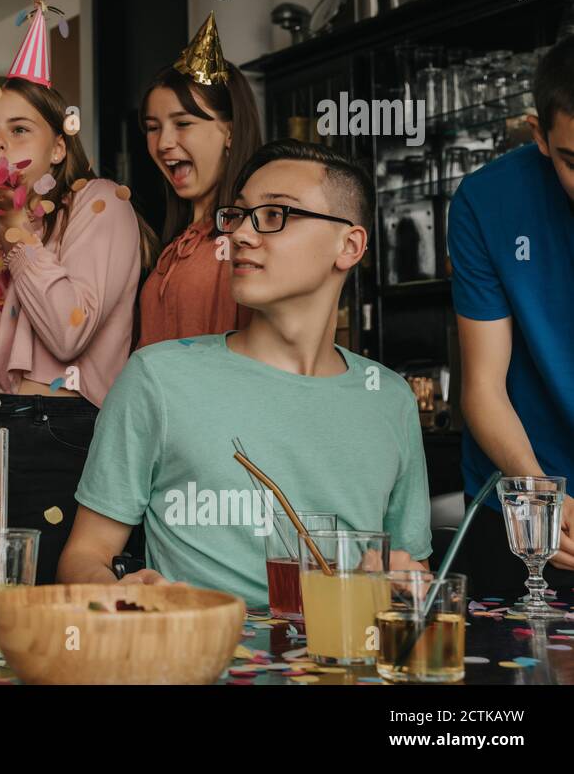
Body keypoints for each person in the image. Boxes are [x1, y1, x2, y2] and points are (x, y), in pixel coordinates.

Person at [60, 140, 432, 607]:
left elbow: (409, 570)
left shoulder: (389, 398)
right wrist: (120, 593)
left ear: (349, 245)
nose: (240, 235)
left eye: (276, 215)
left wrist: (399, 582)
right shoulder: (158, 378)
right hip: (201, 660)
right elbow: (83, 557)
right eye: (237, 215)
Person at [0, 0, 149, 585]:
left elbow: (69, 331)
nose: (1, 147)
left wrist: (17, 228)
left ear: (58, 146)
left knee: (52, 606)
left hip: (58, 434)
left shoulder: (99, 202)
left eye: (20, 130)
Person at [449, 36, 574, 596]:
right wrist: (543, 496)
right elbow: (483, 387)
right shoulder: (485, 201)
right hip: (521, 507)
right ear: (539, 135)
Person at [137, 13, 262, 348]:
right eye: (152, 127)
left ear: (230, 132)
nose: (163, 143)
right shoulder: (176, 244)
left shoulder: (251, 237)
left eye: (183, 123)